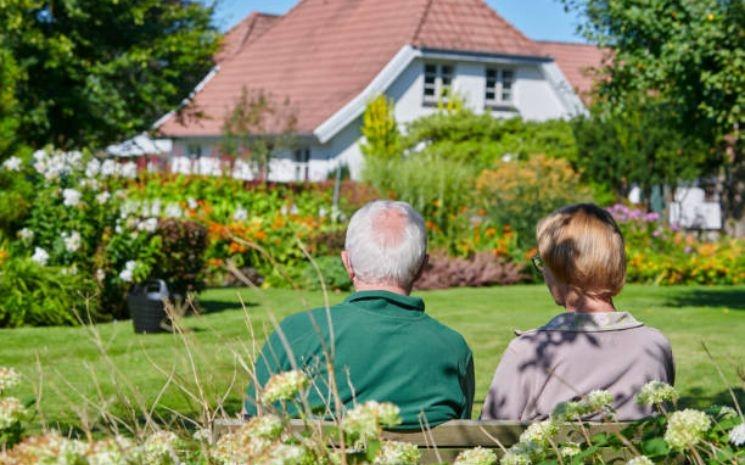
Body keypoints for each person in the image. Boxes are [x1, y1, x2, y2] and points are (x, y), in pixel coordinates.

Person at [245, 200, 474, 429]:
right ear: (422, 267)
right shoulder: (453, 350)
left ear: (347, 262)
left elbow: (250, 422)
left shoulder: (296, 332)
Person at [481, 203, 674, 421]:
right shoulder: (654, 346)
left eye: (543, 263)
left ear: (563, 268)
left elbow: (490, 437)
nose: (543, 273)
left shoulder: (530, 352)